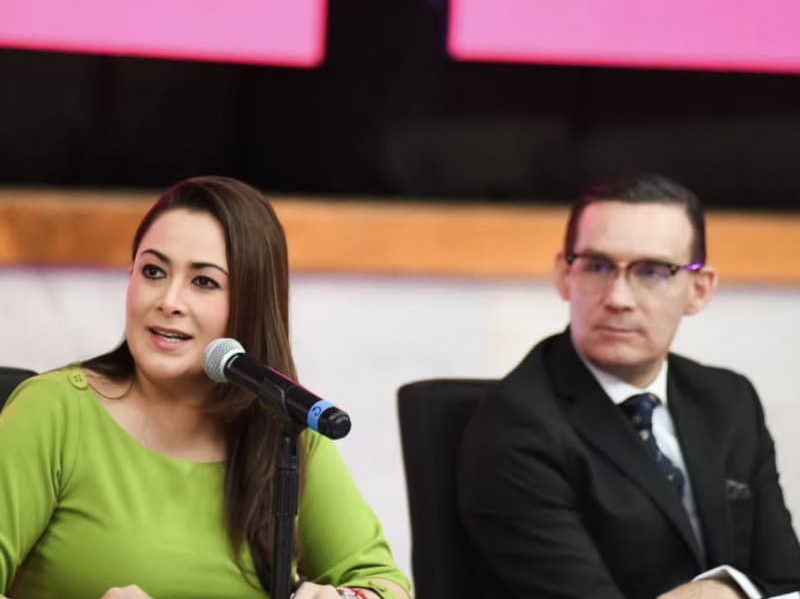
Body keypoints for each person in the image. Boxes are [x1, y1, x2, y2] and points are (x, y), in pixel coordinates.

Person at [0, 176, 411, 599]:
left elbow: (385, 583)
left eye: (204, 282)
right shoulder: (54, 412)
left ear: (251, 305)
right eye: (153, 272)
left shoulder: (286, 433)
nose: (169, 300)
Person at [458, 173, 800, 599]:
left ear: (698, 289)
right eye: (597, 266)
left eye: (652, 271)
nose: (618, 298)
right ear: (564, 275)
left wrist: (728, 592)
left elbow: (787, 579)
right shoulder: (515, 426)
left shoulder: (728, 400)